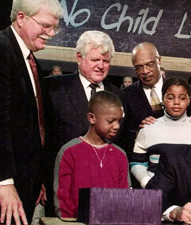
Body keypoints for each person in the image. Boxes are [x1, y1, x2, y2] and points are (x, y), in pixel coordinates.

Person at [0, 0, 63, 224]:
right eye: (46, 26)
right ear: (21, 18)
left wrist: (37, 180)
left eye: (54, 27)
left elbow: (33, 127)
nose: (51, 33)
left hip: (25, 185)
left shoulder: (29, 58)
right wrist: (5, 182)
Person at [44, 30, 121, 216]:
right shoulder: (53, 88)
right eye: (95, 60)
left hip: (107, 195)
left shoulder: (119, 95)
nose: (101, 66)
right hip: (64, 191)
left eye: (106, 61)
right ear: (79, 57)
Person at [54, 91, 129, 218]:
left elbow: (125, 196)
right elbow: (63, 199)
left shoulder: (120, 155)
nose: (116, 126)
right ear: (92, 118)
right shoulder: (69, 151)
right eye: (110, 121)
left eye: (119, 121)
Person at [131, 77, 191, 188]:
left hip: (190, 193)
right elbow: (137, 163)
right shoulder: (148, 128)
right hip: (156, 192)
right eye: (170, 97)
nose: (176, 102)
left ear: (189, 100)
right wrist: (148, 183)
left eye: (182, 98)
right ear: (163, 99)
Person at [119, 42, 165, 156]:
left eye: (150, 64)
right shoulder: (125, 95)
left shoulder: (181, 90)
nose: (145, 71)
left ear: (159, 61)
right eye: (139, 67)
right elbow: (121, 136)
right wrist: (138, 134)